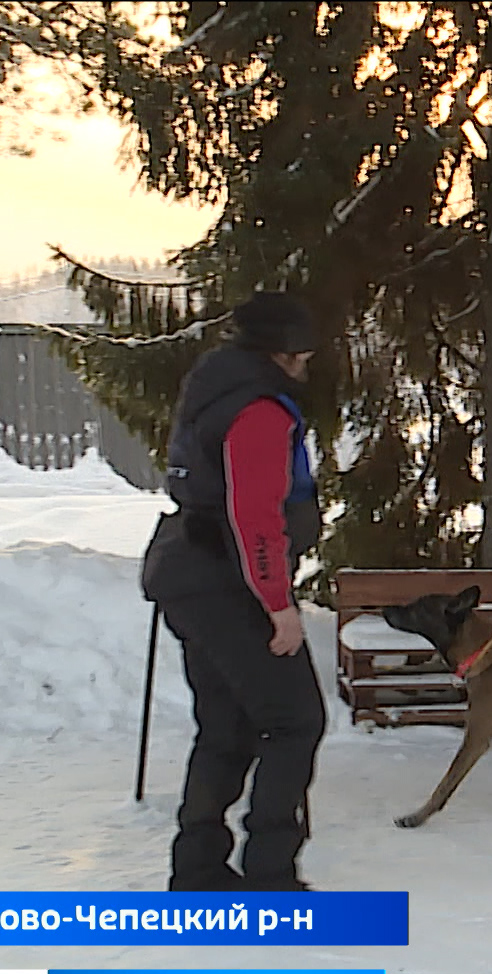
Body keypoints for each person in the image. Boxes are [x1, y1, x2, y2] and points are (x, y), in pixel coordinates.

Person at [141, 291, 326, 892]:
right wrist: (278, 606)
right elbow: (255, 517)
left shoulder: (215, 386)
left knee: (225, 725)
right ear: (285, 350)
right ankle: (269, 874)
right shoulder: (259, 410)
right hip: (228, 580)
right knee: (295, 722)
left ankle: (197, 868)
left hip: (190, 570)